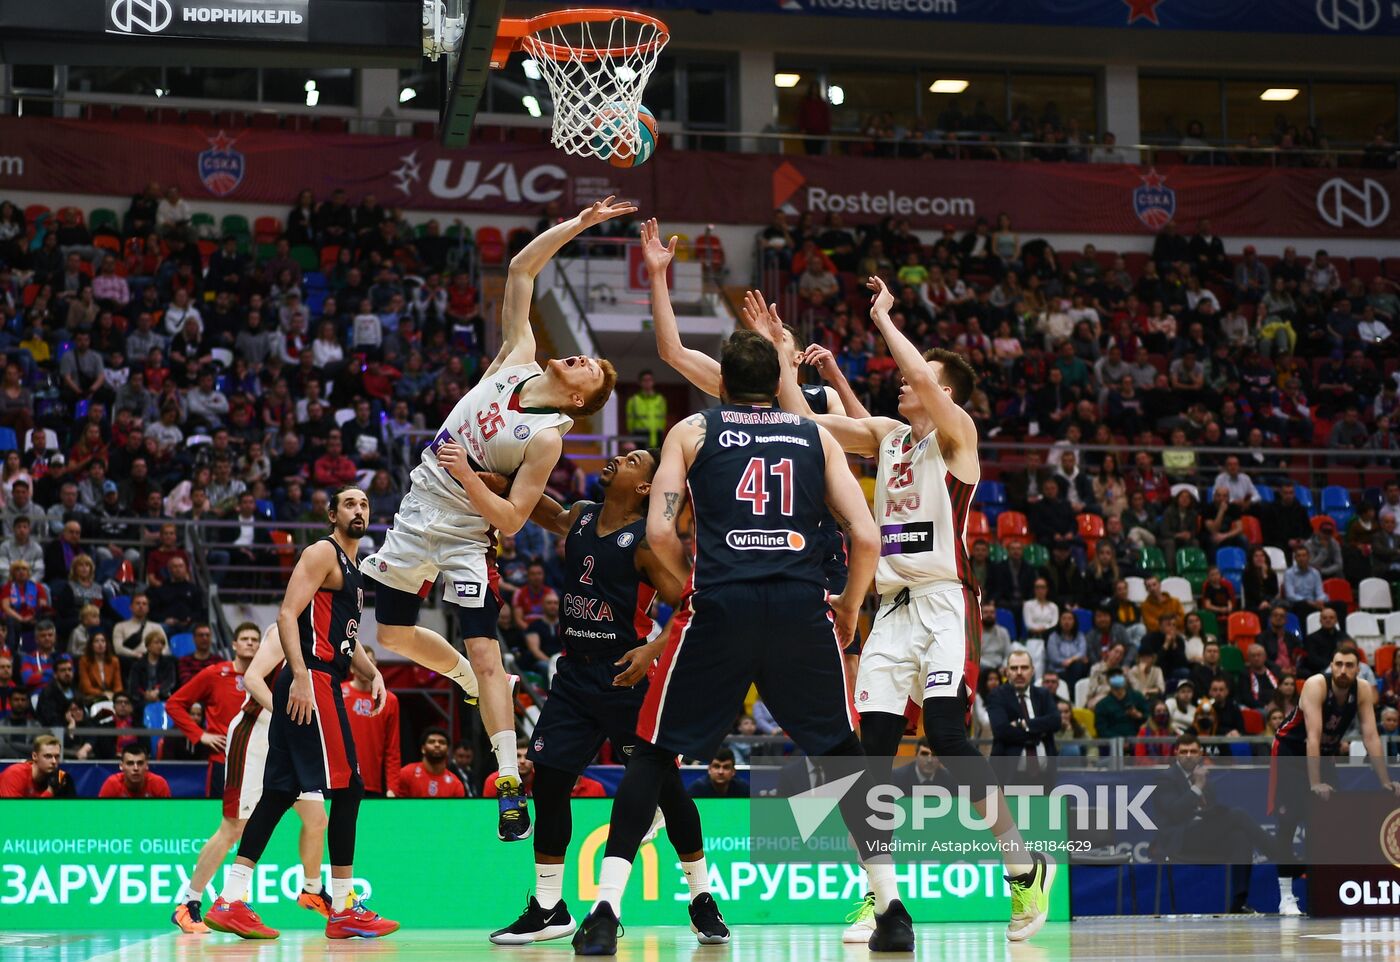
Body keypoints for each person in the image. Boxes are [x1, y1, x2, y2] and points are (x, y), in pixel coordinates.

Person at [569, 327, 899, 956]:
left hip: (720, 606)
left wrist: (684, 593)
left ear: (721, 380)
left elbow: (660, 532)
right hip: (803, 610)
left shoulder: (692, 432)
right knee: (845, 759)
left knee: (652, 755)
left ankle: (605, 912)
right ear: (779, 381)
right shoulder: (815, 434)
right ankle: (893, 909)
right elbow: (863, 533)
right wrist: (851, 606)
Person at [763, 278, 1054, 946]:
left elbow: (918, 370)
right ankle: (880, 898)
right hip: (891, 613)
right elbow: (801, 422)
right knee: (870, 757)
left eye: (917, 380)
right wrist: (782, 354)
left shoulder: (959, 440)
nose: (903, 385)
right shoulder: (889, 435)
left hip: (944, 605)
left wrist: (883, 318)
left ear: (943, 393)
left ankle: (1022, 867)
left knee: (950, 739)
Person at [360, 199, 630, 843]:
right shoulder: (519, 357)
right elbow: (519, 270)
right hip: (418, 504)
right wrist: (581, 226)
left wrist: (463, 477)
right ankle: (472, 679)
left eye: (590, 368)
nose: (581, 358)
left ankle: (509, 782)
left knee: (484, 645)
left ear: (578, 398)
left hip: (464, 529)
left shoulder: (547, 437)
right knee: (393, 633)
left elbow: (511, 521)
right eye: (586, 357)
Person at [491, 445, 713, 946]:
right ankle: (549, 907)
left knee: (669, 791)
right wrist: (489, 474)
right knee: (548, 780)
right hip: (573, 676)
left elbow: (696, 606)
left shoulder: (647, 545)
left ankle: (700, 896)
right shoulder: (581, 517)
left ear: (642, 488)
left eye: (634, 460)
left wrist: (652, 648)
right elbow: (535, 506)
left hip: (624, 676)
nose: (618, 459)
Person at [205, 488, 398, 940]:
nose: (359, 510)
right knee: (349, 786)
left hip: (319, 676)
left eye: (365, 504)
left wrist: (373, 673)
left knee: (277, 793)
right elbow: (288, 614)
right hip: (311, 680)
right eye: (349, 504)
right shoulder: (321, 553)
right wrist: (302, 676)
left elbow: (345, 641)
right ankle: (345, 905)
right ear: (332, 514)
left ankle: (231, 899)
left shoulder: (354, 570)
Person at [171, 621, 334, 934]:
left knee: (317, 818)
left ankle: (312, 891)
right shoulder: (284, 629)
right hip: (256, 735)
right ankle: (189, 904)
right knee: (233, 828)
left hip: (290, 739)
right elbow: (253, 681)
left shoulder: (325, 637)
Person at [1270, 643, 1400, 916]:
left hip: (1323, 754)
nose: (1342, 670)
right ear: (1331, 665)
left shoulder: (1363, 690)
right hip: (1291, 752)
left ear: (1358, 668)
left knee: (1335, 818)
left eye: (1349, 665)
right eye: (1338, 664)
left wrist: (1385, 781)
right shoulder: (1317, 685)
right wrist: (1315, 783)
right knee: (1289, 818)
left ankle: (1330, 889)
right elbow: (1312, 738)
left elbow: (1371, 737)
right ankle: (1286, 896)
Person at [1154, 733, 1284, 914]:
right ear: (1176, 753)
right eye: (1184, 751)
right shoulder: (1166, 778)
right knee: (1238, 814)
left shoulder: (1204, 777)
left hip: (1203, 835)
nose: (1189, 755)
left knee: (1240, 837)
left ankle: (1239, 902)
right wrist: (1197, 787)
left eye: (1193, 751)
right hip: (1181, 838)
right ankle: (1280, 854)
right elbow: (1175, 814)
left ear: (1200, 753)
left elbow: (1210, 811)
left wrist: (1208, 808)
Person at [342, 646, 401, 797]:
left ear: (375, 667)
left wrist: (392, 788)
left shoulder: (388, 700)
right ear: (352, 668)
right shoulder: (338, 693)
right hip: (338, 780)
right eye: (360, 662)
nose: (364, 666)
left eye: (370, 662)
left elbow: (392, 749)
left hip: (372, 784)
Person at [986, 650, 1059, 757]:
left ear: (1032, 671)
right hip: (1008, 770)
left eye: (1024, 668)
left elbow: (1055, 721)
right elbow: (1001, 731)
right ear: (1007, 672)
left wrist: (1022, 724)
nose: (1019, 672)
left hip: (1046, 770)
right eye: (1014, 668)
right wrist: (1038, 733)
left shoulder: (1043, 694)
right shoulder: (997, 695)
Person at [397, 727, 467, 798]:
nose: (437, 745)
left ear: (448, 751)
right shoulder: (406, 774)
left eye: (442, 742)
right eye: (431, 742)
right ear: (423, 749)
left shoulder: (456, 784)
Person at [0, 735, 76, 797]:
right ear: (34, 756)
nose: (54, 761)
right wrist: (50, 791)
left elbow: (72, 812)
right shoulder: (14, 774)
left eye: (57, 757)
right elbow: (13, 814)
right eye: (48, 756)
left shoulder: (62, 778)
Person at [97, 744, 171, 799]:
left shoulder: (159, 784)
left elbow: (169, 816)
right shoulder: (112, 784)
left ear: (147, 765)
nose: (136, 768)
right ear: (121, 766)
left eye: (140, 763)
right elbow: (100, 816)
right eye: (130, 763)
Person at [1094, 668, 1148, 738]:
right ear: (1107, 681)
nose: (1116, 678)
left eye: (1119, 676)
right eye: (1113, 676)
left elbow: (1149, 717)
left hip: (1137, 741)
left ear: (1125, 678)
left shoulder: (1137, 697)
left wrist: (1139, 715)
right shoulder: (1101, 705)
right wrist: (1118, 740)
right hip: (1113, 744)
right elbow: (1101, 730)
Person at [624, 369, 667, 447]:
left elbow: (663, 419)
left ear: (653, 382)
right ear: (640, 383)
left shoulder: (660, 400)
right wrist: (631, 439)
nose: (647, 382)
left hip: (657, 436)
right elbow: (630, 422)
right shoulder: (634, 400)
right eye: (645, 380)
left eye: (650, 380)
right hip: (640, 437)